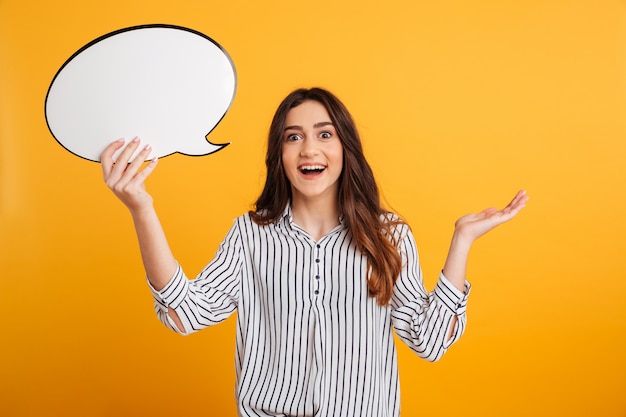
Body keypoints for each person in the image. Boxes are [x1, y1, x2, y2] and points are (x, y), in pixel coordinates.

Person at [101, 87, 528, 417]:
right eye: (294, 137)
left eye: (325, 134)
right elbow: (184, 314)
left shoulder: (388, 237)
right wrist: (142, 208)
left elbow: (430, 342)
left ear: (345, 149)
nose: (309, 148)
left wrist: (463, 240)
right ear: (280, 155)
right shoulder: (250, 237)